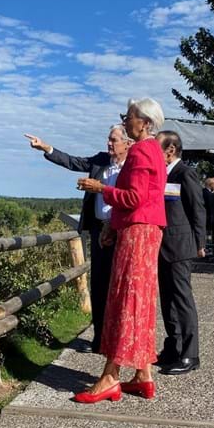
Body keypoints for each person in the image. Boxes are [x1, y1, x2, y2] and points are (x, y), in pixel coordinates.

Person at [73, 98, 167, 403]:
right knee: (139, 299)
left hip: (138, 232)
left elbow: (134, 197)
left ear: (145, 123)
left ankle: (110, 377)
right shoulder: (154, 150)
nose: (126, 121)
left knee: (125, 299)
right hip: (145, 229)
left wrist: (100, 189)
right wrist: (112, 226)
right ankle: (143, 374)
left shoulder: (140, 151)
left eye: (129, 117)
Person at [24, 126, 132, 353]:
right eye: (108, 139)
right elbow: (74, 162)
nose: (109, 144)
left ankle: (119, 340)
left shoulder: (133, 165)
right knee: (99, 285)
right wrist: (46, 148)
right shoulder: (101, 160)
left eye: (113, 140)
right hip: (98, 231)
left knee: (122, 287)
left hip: (123, 233)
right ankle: (100, 339)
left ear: (127, 143)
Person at [155, 131, 206, 375]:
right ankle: (172, 348)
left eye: (158, 148)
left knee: (182, 300)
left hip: (180, 245)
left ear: (171, 150)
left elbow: (197, 208)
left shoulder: (185, 173)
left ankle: (190, 354)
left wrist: (200, 242)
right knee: (167, 300)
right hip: (161, 246)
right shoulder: (160, 174)